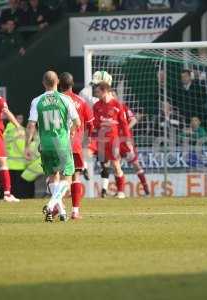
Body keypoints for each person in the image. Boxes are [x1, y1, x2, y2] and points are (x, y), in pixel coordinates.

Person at [25, 71, 80, 222]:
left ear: (43, 83)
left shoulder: (37, 101)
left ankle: (62, 213)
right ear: (57, 82)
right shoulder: (65, 99)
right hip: (61, 144)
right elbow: (78, 122)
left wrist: (27, 146)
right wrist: (72, 132)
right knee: (67, 180)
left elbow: (31, 125)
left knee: (53, 178)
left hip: (45, 145)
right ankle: (50, 205)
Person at [59, 72, 93, 219]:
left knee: (60, 178)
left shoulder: (56, 101)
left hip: (58, 144)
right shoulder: (81, 101)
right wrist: (87, 139)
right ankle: (75, 211)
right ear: (72, 84)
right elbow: (91, 124)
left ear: (59, 84)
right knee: (75, 177)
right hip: (75, 145)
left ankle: (58, 207)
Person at [90, 82, 132, 199]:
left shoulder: (117, 105)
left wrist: (127, 140)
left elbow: (123, 124)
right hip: (101, 140)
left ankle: (121, 192)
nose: (96, 94)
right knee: (103, 164)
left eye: (98, 92)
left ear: (105, 91)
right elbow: (96, 123)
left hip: (114, 140)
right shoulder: (96, 106)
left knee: (116, 164)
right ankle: (104, 190)